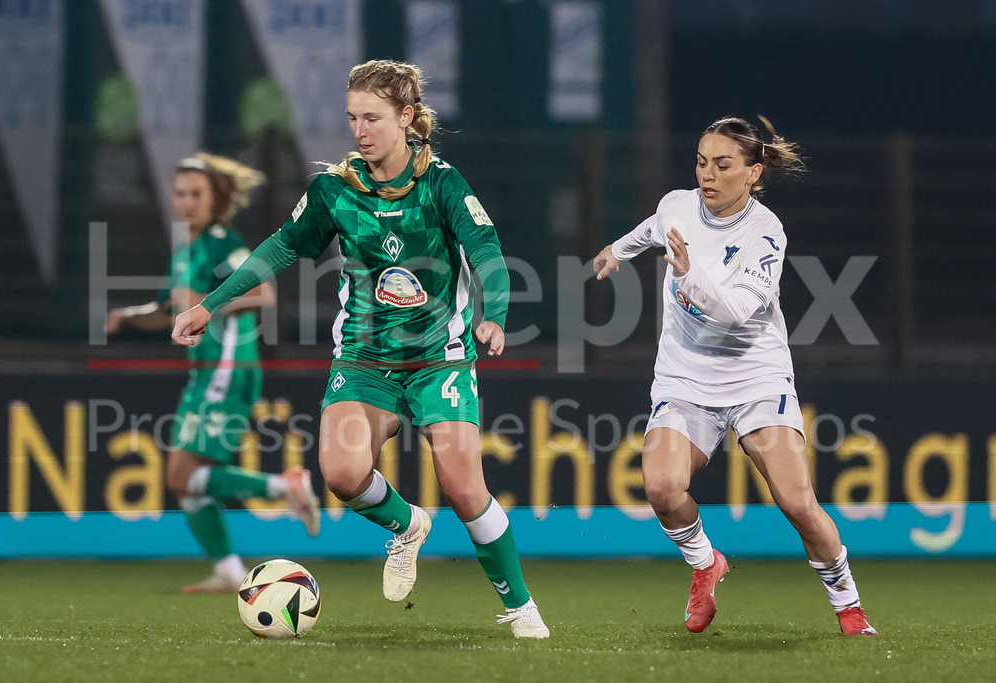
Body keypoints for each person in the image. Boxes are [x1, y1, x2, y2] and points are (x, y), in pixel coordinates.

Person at [171, 60, 549, 638]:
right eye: (352, 118)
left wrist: (493, 315)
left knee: (464, 485)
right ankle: (406, 526)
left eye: (372, 117)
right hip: (363, 358)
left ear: (406, 117)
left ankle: (521, 607)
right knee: (342, 472)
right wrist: (209, 305)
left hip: (437, 357)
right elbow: (277, 250)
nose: (360, 130)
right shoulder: (335, 189)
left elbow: (487, 252)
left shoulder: (443, 184)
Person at [592, 116, 877, 637]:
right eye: (702, 162)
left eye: (724, 165)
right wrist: (618, 250)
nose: (709, 174)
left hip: (755, 377)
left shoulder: (766, 233)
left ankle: (848, 604)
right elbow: (652, 229)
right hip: (685, 376)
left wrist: (686, 275)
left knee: (796, 501)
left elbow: (736, 312)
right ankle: (705, 563)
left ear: (753, 172)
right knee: (660, 486)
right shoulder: (677, 206)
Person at [106, 152, 321, 594]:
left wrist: (206, 297)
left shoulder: (223, 241)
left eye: (196, 194)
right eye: (180, 193)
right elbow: (169, 310)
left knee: (180, 476)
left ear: (215, 199)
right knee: (187, 484)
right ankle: (228, 570)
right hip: (204, 375)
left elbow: (263, 292)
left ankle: (285, 485)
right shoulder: (188, 249)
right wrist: (129, 315)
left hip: (228, 370)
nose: (186, 202)